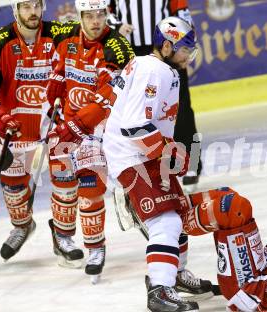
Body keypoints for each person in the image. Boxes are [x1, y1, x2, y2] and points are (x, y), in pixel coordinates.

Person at [102, 16, 212, 311]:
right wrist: (168, 151)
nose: (189, 54)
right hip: (132, 156)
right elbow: (135, 126)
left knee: (181, 211)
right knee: (166, 220)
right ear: (166, 45)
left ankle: (174, 275)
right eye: (185, 48)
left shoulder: (158, 67)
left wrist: (167, 150)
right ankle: (159, 289)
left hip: (145, 153)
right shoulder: (155, 70)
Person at [45, 0, 134, 281]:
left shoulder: (118, 47)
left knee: (90, 189)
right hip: (66, 124)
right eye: (89, 15)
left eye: (100, 15)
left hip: (97, 129)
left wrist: (77, 126)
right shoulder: (68, 36)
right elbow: (60, 72)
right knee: (63, 185)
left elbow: (107, 96)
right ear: (80, 16)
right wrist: (52, 99)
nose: (96, 21)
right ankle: (63, 236)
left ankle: (96, 248)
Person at [0, 0, 60, 261]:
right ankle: (22, 225)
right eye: (25, 7)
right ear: (15, 10)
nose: (32, 12)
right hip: (16, 127)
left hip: (54, 124)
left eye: (36, 5)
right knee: (12, 185)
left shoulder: (59, 35)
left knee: (67, 181)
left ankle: (63, 231)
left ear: (43, 7)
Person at [108, 0, 202, 186]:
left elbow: (180, 8)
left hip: (169, 46)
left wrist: (186, 36)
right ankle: (139, 160)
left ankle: (190, 162)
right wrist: (116, 26)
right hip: (130, 48)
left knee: (179, 107)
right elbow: (105, 10)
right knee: (136, 109)